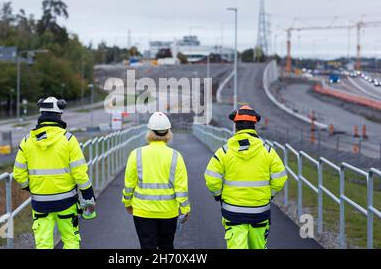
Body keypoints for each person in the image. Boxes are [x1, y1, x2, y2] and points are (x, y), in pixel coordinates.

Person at [13, 96, 96, 249]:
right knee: (71, 239)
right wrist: (88, 194)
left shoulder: (27, 141)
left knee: (43, 243)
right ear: (59, 115)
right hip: (67, 202)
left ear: (41, 115)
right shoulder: (69, 140)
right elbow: (80, 173)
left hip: (40, 203)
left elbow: (18, 173)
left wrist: (30, 187)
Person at [204, 105, 287, 249]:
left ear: (235, 126)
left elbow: (211, 178)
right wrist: (270, 195)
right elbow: (280, 178)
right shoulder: (268, 151)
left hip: (233, 212)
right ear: (254, 126)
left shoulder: (224, 151)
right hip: (260, 211)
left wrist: (218, 195)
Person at [122, 112, 190, 249]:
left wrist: (127, 203)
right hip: (168, 212)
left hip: (142, 212)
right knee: (167, 246)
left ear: (149, 132)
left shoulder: (136, 154)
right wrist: (185, 208)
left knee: (147, 246)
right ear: (168, 133)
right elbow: (181, 188)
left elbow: (129, 184)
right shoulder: (176, 156)